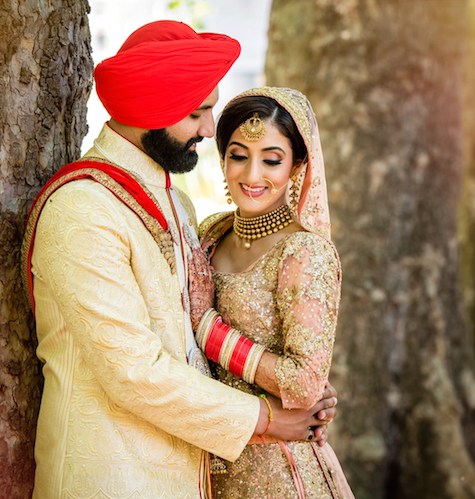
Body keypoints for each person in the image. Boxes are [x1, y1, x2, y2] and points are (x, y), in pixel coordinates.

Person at [21, 22, 335, 499]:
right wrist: (269, 418)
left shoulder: (177, 203)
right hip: (112, 476)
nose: (210, 130)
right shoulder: (82, 208)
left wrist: (293, 388)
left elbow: (190, 339)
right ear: (153, 109)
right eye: (197, 112)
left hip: (189, 472)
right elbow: (134, 371)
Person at [192, 87, 354, 499]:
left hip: (280, 473)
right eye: (239, 155)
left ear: (297, 165)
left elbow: (303, 385)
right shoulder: (211, 233)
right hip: (203, 460)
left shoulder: (304, 251)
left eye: (272, 159)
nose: (251, 175)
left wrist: (212, 335)